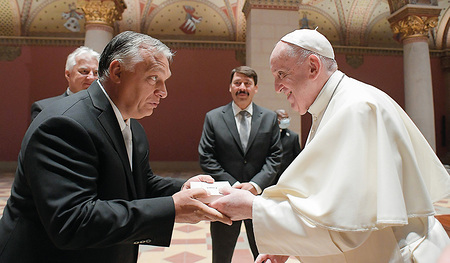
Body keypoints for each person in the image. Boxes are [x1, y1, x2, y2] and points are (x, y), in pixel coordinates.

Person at [210, 29, 450, 262]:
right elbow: (320, 204)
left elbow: (347, 225)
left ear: (313, 67)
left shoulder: (356, 109)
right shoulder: (335, 106)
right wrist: (290, 244)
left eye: (281, 74)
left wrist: (253, 208)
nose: (277, 87)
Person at [0, 31, 230, 263]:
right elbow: (72, 221)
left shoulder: (131, 125)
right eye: (153, 78)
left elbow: (139, 183)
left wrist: (183, 189)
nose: (163, 91)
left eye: (165, 81)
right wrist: (172, 209)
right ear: (117, 71)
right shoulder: (64, 124)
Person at [198, 66, 282, 262]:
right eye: (237, 83)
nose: (242, 87)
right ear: (230, 87)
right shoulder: (213, 117)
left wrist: (254, 185)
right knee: (221, 256)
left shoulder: (269, 118)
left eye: (247, 83)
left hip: (259, 199)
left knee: (263, 255)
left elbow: (275, 156)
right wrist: (234, 186)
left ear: (256, 88)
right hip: (225, 198)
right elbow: (206, 156)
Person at [30, 46, 100, 121]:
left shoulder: (105, 107)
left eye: (96, 73)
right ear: (68, 74)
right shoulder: (44, 108)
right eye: (84, 71)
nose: (91, 77)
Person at [274, 109, 301, 183]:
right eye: (283, 118)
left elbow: (297, 157)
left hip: (286, 175)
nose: (286, 120)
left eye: (287, 118)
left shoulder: (293, 136)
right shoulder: (269, 135)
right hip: (272, 175)